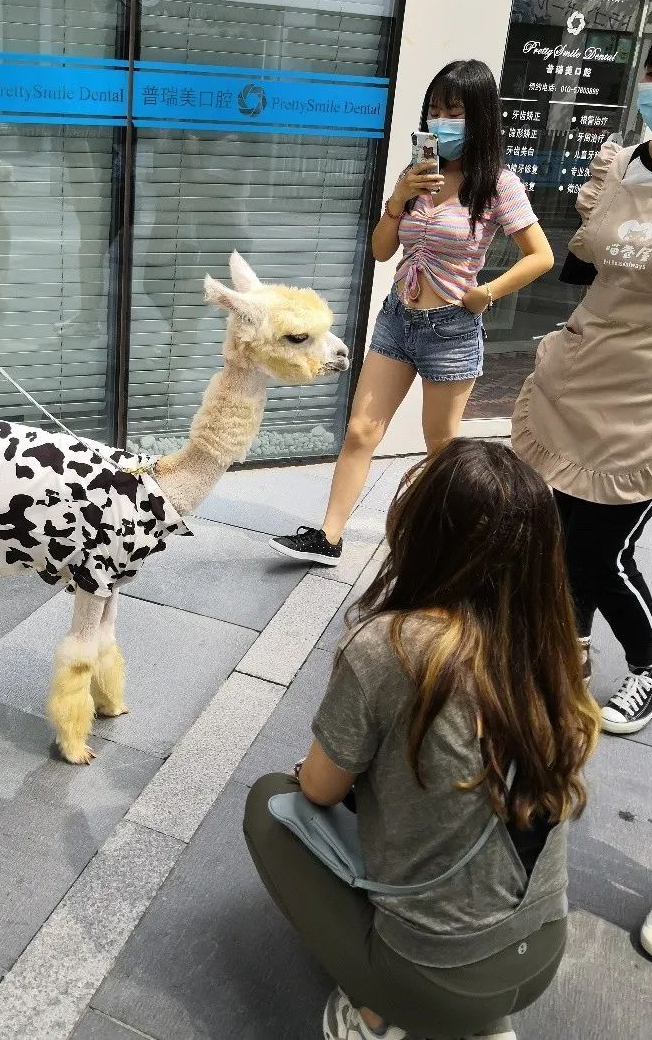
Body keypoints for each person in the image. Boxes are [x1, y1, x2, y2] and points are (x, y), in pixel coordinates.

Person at [246, 440, 600, 1040]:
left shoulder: (392, 645)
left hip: (434, 980)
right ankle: (479, 1022)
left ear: (422, 533)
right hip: (541, 951)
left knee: (268, 803)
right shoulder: (553, 647)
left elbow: (321, 789)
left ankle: (378, 1015)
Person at [270, 60, 554, 565]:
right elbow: (382, 250)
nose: (442, 119)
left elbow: (541, 255)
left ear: (481, 117)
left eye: (455, 110)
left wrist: (486, 293)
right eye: (436, 108)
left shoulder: (497, 184)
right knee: (361, 430)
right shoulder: (418, 174)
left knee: (440, 448)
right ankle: (328, 538)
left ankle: (453, 544)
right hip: (397, 318)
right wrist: (398, 199)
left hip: (450, 329)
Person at [512, 33, 652, 735]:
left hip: (647, 404)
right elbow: (588, 271)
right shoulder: (618, 165)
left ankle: (651, 663)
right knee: (559, 540)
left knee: (602, 552)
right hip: (580, 374)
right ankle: (563, 662)